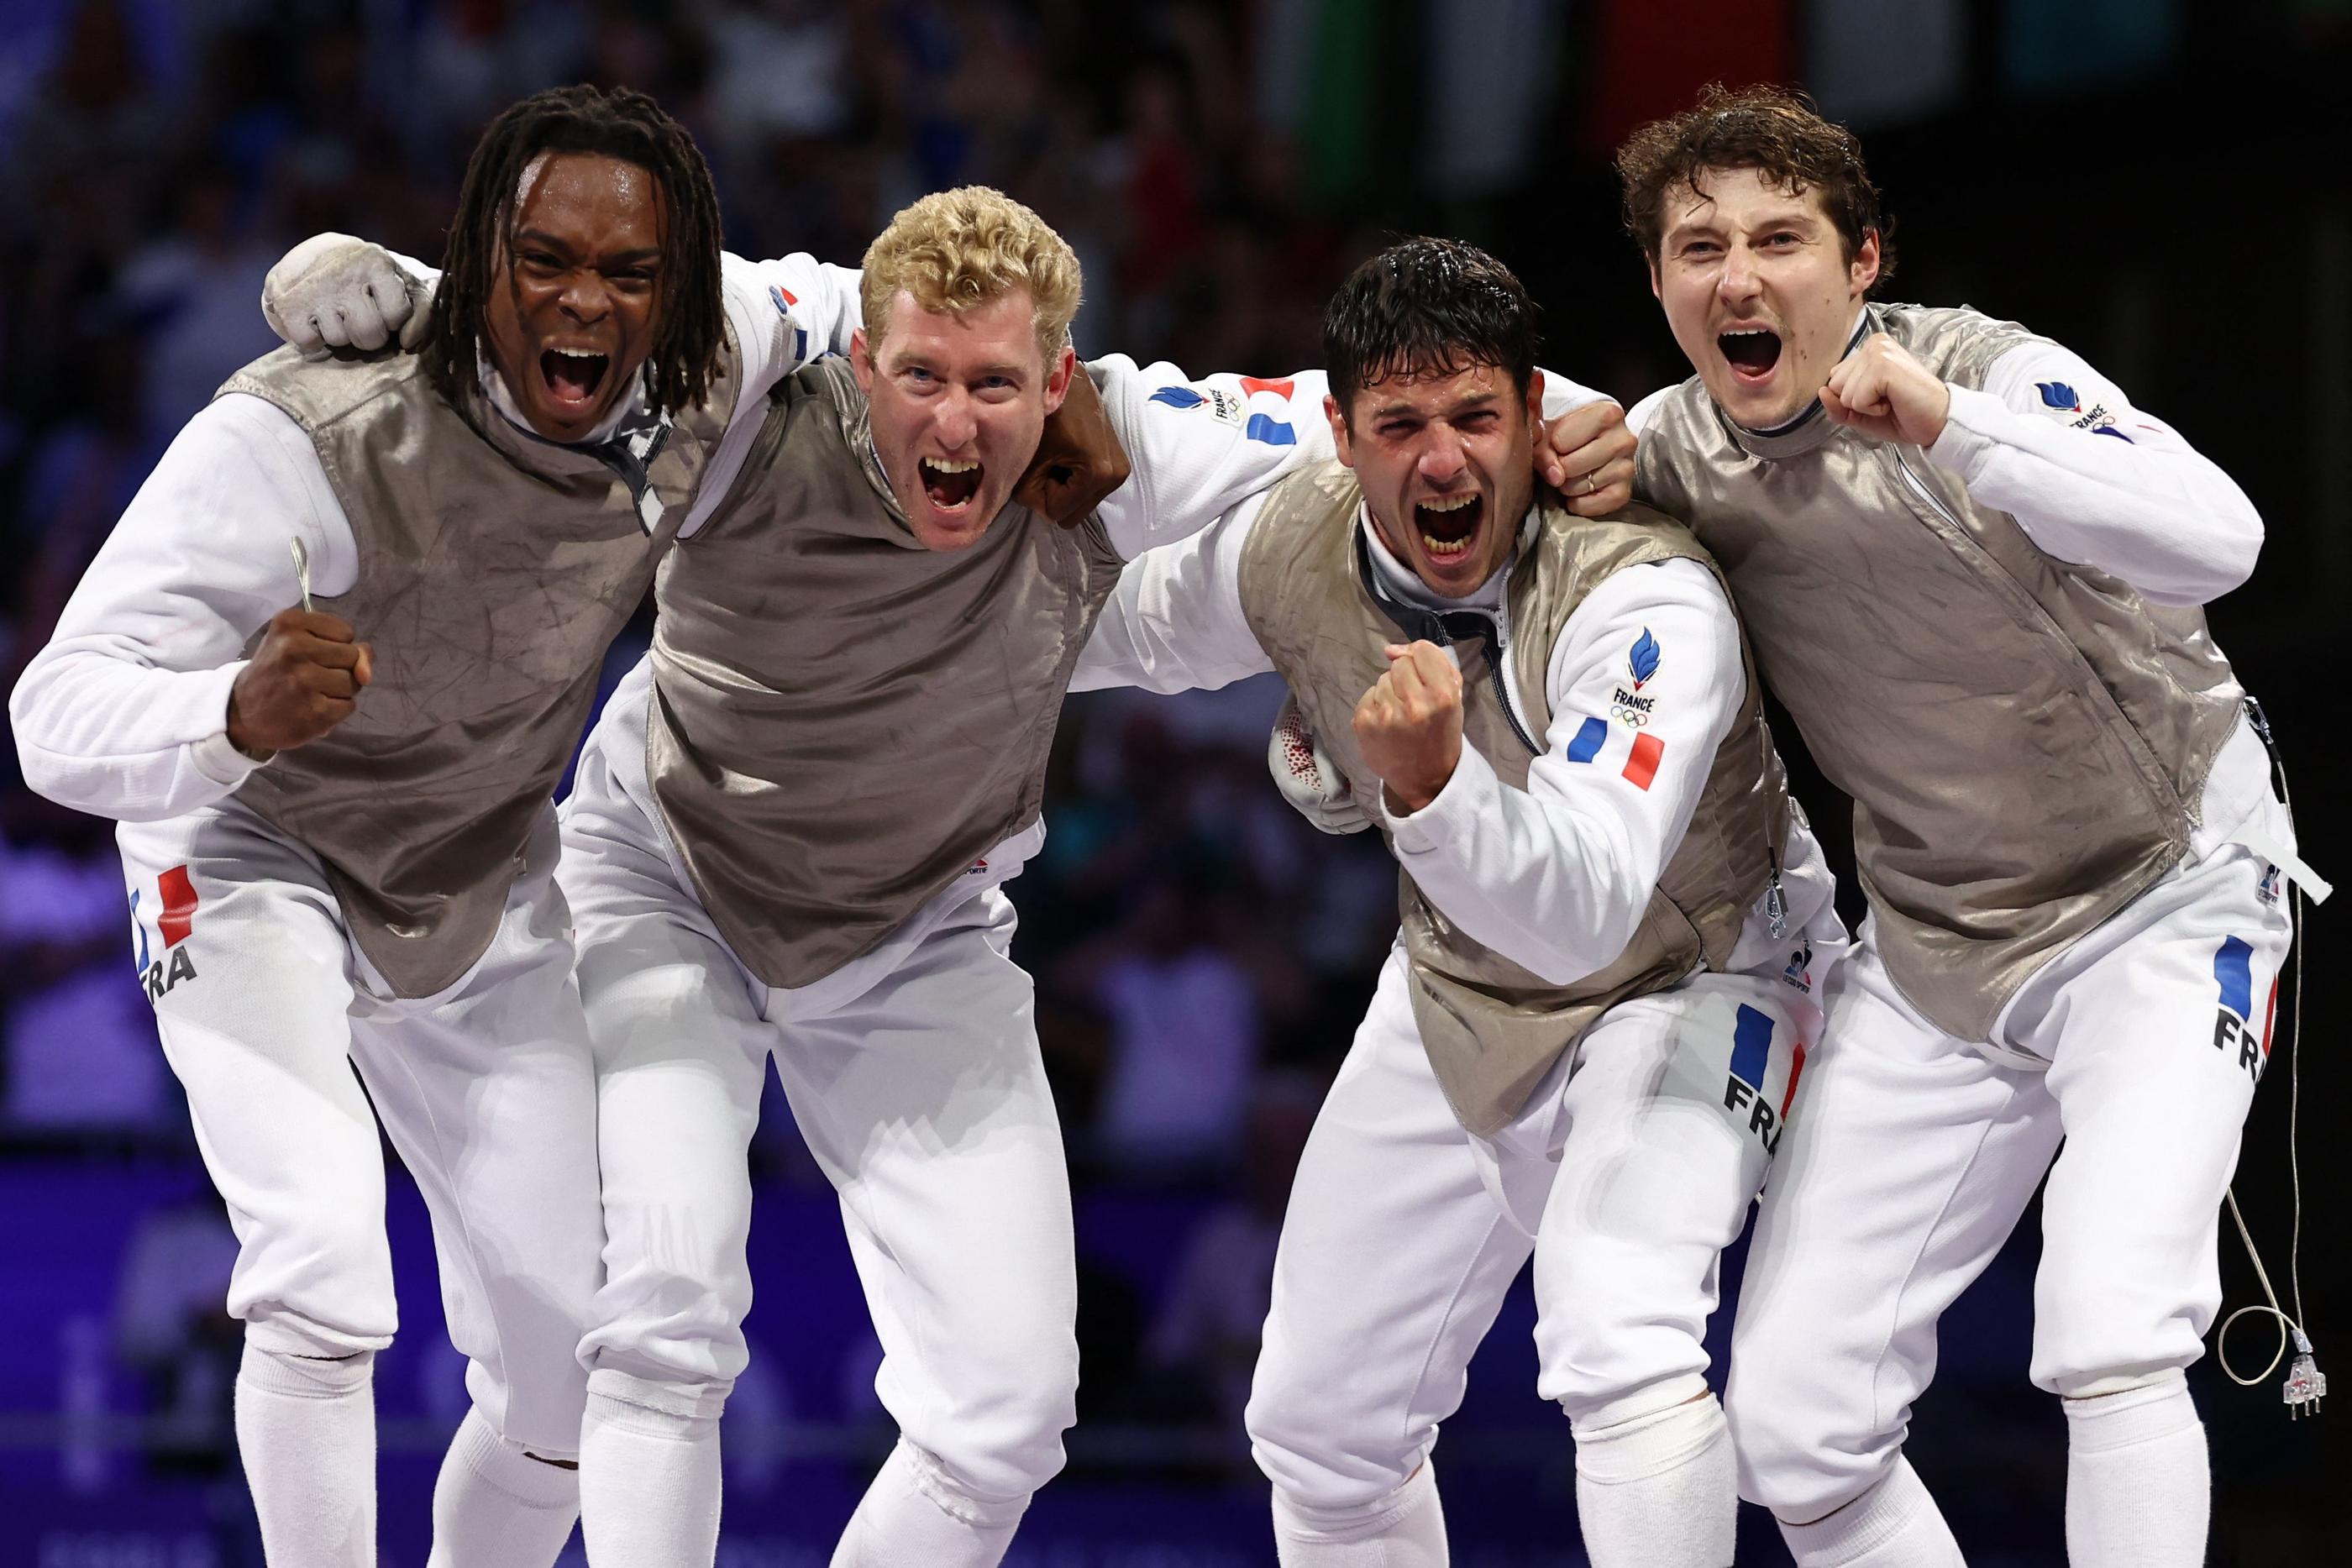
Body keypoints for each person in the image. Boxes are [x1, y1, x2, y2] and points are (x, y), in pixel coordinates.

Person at [274, 189, 1640, 1565]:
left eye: (996, 385)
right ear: (866, 360)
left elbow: (1405, 391)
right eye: (920, 375)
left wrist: (1607, 423)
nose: (954, 420)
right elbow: (578, 315)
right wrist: (380, 277)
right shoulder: (755, 375)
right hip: (669, 882)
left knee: (1007, 1413)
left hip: (914, 927)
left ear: (1057, 381)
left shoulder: (1131, 437)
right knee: (662, 1314)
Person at [8, 84, 874, 1568]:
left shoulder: (717, 359)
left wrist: (1061, 404)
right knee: (324, 1270)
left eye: (627, 273)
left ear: (678, 293)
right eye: (542, 260)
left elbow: (896, 309)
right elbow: (52, 714)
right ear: (479, 256)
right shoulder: (308, 431)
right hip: (242, 851)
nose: (586, 300)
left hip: (474, 870)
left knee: (567, 1382)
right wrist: (226, 711)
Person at [1613, 84, 2317, 1568]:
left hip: (2169, 891)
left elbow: (2222, 537)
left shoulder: (1979, 369)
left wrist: (1954, 427)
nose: (1738, 277)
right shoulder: (1664, 455)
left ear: (1862, 260)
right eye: (1697, 247)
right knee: (1797, 1429)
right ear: (1663, 284)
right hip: (1939, 953)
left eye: (1779, 238)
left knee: (2116, 1327)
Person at [1076, 237, 1843, 1568]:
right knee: (1319, 1426)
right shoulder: (1286, 541)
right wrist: (858, 623)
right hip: (1460, 982)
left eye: (1479, 418)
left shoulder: (1644, 596)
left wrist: (1430, 791)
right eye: (1403, 425)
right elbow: (1103, 630)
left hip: (1702, 975)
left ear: (1534, 418)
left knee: (1619, 1330)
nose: (1445, 461)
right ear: (1341, 436)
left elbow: (1588, 907)